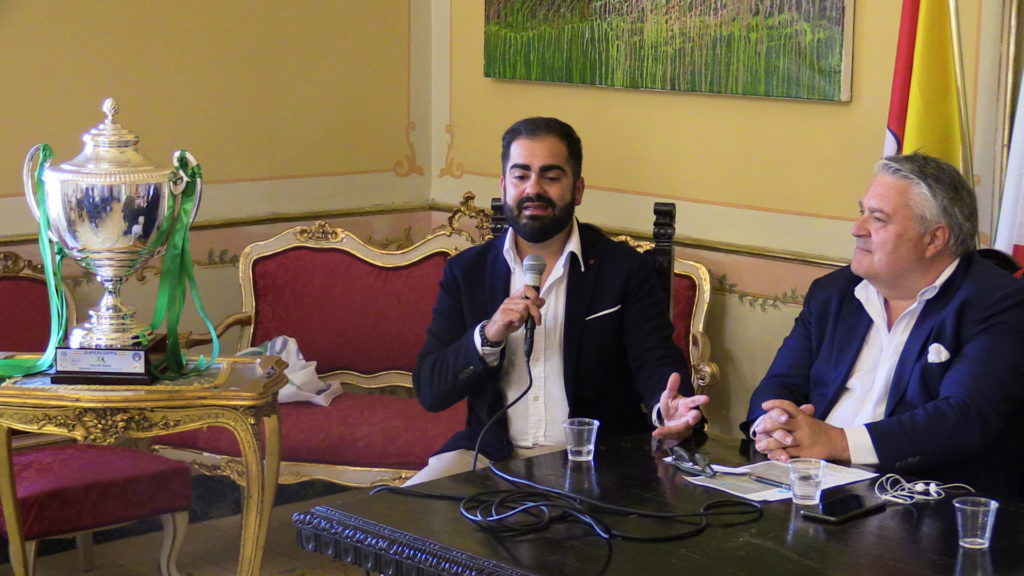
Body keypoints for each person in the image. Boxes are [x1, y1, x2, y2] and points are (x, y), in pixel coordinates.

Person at [410, 117, 708, 484]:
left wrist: (669, 409)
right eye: (521, 176)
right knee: (398, 511)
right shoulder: (467, 271)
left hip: (594, 461)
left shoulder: (624, 270)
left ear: (577, 190)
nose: (533, 189)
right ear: (503, 186)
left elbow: (656, 360)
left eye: (551, 177)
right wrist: (489, 335)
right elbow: (431, 390)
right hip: (489, 457)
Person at [743, 152, 1024, 498]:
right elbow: (782, 382)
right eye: (861, 211)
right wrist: (773, 428)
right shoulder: (835, 292)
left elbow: (964, 416)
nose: (856, 228)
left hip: (919, 499)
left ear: (934, 239)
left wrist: (838, 442)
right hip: (805, 480)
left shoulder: (999, 303)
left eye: (877, 218)